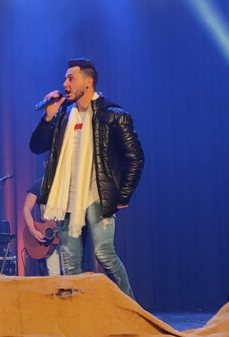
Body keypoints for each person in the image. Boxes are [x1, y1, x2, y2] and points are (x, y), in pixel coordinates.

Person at [29, 58, 144, 297]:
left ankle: (130, 308)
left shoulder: (112, 115)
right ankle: (78, 321)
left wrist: (123, 195)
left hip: (97, 196)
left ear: (88, 82)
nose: (65, 84)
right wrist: (48, 116)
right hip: (66, 198)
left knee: (104, 254)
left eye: (71, 78)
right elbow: (36, 146)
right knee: (71, 265)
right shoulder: (62, 116)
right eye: (65, 79)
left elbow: (135, 158)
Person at [23, 177, 61, 276]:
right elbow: (26, 209)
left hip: (66, 231)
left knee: (70, 270)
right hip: (50, 235)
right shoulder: (39, 185)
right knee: (54, 273)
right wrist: (33, 231)